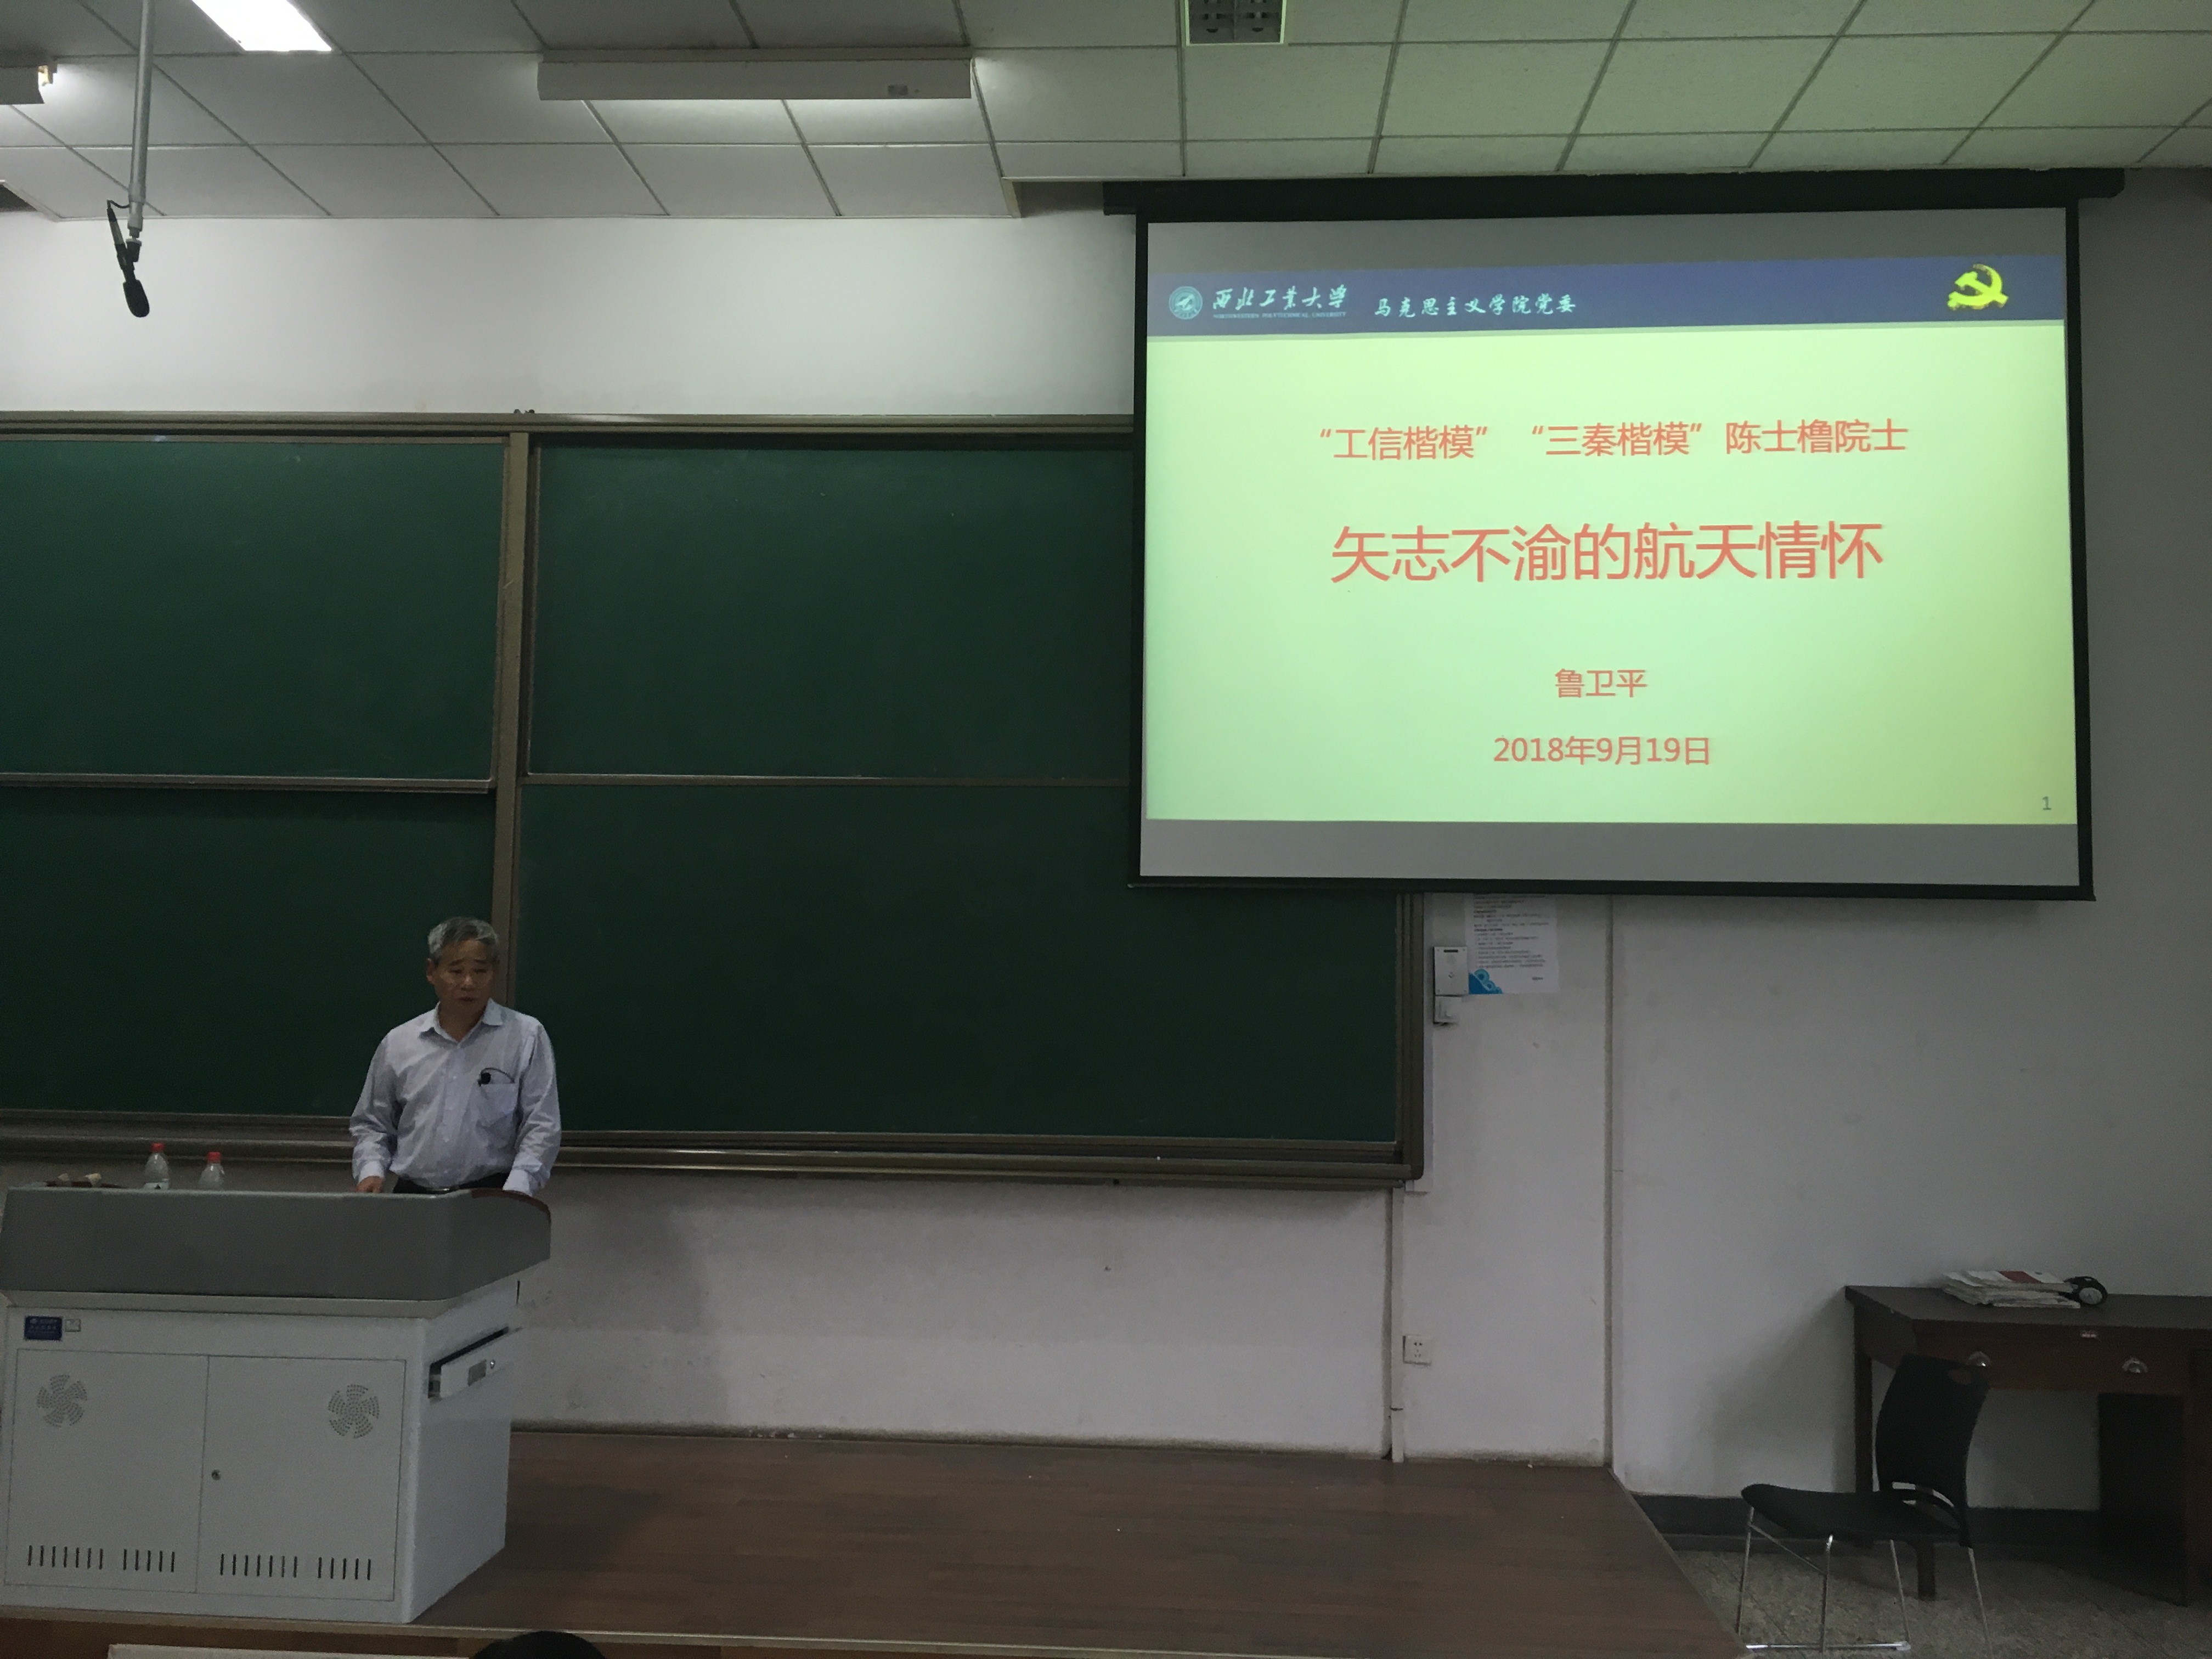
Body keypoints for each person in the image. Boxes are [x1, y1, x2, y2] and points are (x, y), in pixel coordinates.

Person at [350, 917, 560, 1197]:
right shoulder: (400, 1043)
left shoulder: (526, 1036)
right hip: (412, 1196)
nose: (469, 983)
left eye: (480, 971)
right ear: (431, 971)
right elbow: (373, 1123)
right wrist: (371, 1170)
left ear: (495, 971)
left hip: (494, 1193)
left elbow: (541, 1126)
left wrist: (518, 1189)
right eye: (456, 971)